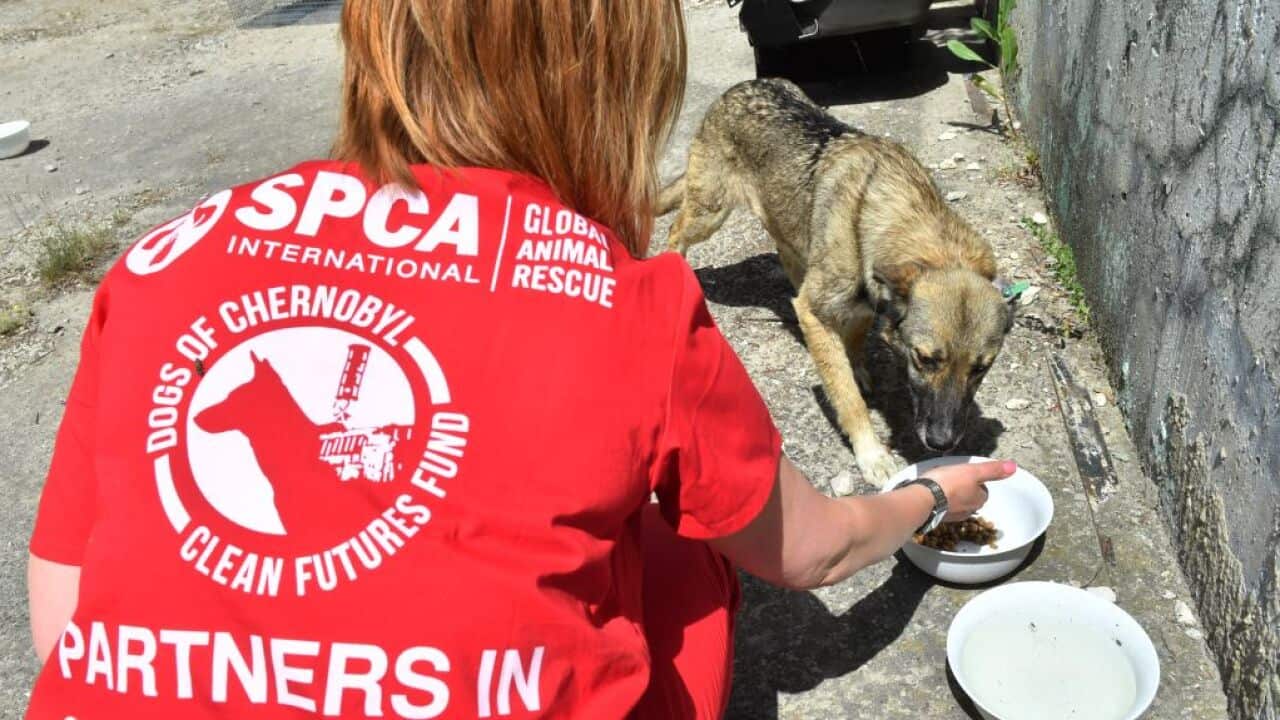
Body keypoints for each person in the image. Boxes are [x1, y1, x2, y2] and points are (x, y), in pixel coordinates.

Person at [24, 1, 1015, 717]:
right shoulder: (627, 302)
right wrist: (938, 497)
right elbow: (813, 551)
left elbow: (66, 623)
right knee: (692, 530)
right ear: (615, 79)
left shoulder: (164, 258)